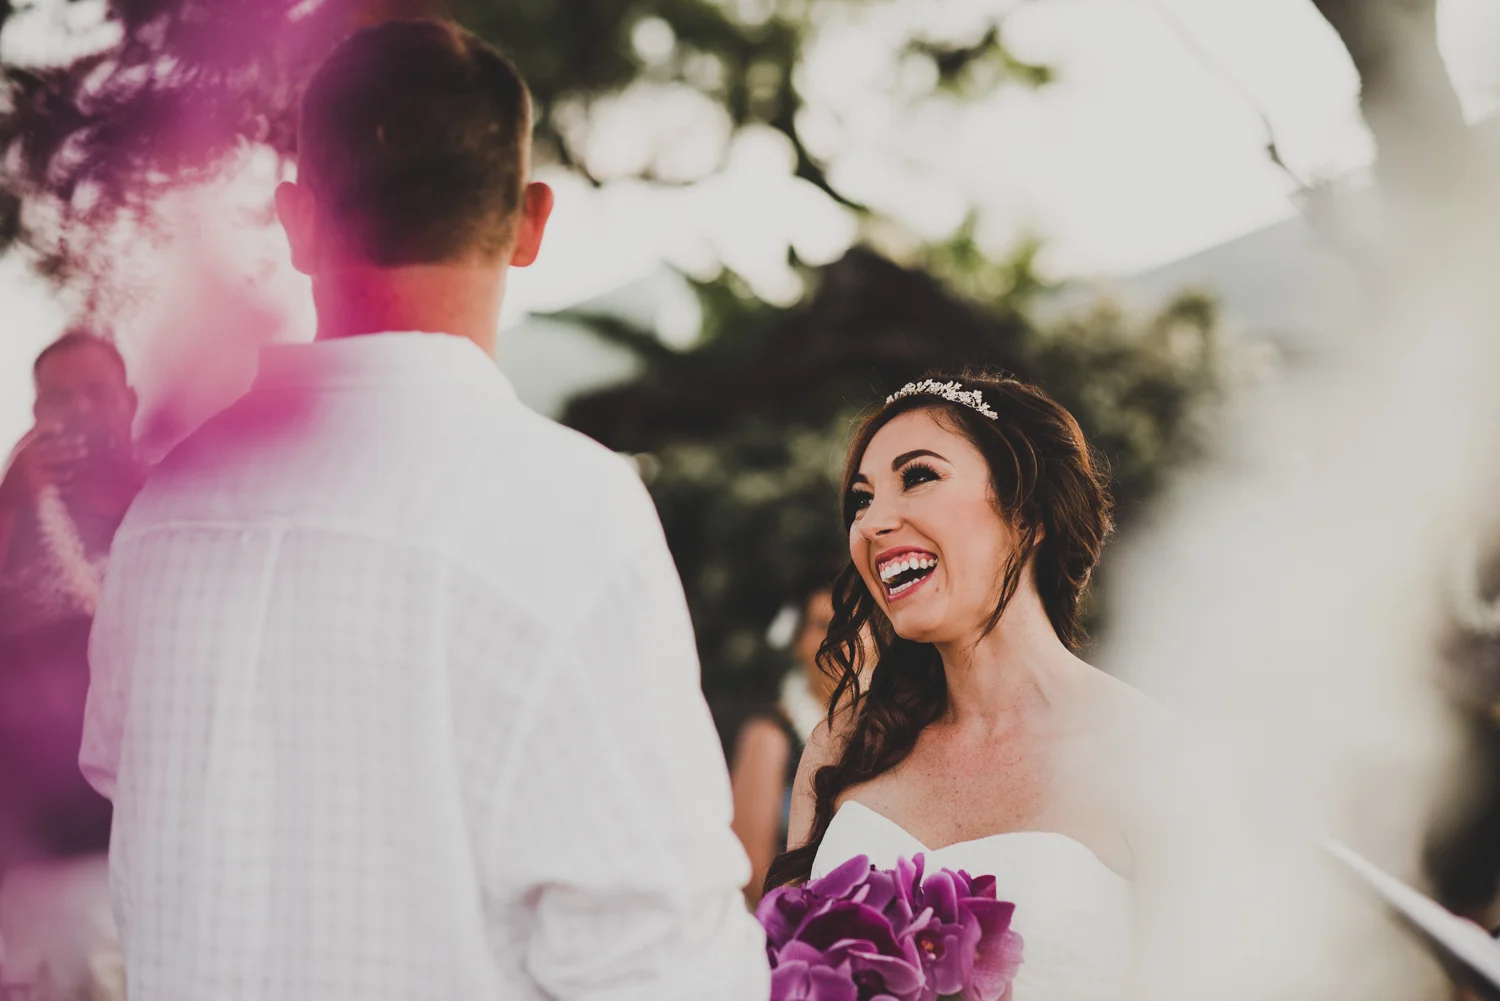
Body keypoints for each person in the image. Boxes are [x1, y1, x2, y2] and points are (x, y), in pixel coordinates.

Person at [79, 20, 767, 1001]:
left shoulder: (166, 514)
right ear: (531, 221)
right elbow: (660, 959)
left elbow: (124, 788)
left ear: (297, 220)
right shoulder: (568, 509)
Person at [767, 373, 1162, 1001]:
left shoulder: (1150, 755)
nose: (872, 523)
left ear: (1028, 514)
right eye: (861, 500)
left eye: (918, 476)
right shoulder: (844, 744)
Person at [0, 331, 145, 870]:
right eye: (60, 397)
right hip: (37, 837)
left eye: (96, 391)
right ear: (38, 413)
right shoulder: (12, 507)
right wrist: (9, 501)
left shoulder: (171, 502)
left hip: (143, 811)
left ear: (129, 403)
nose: (80, 409)